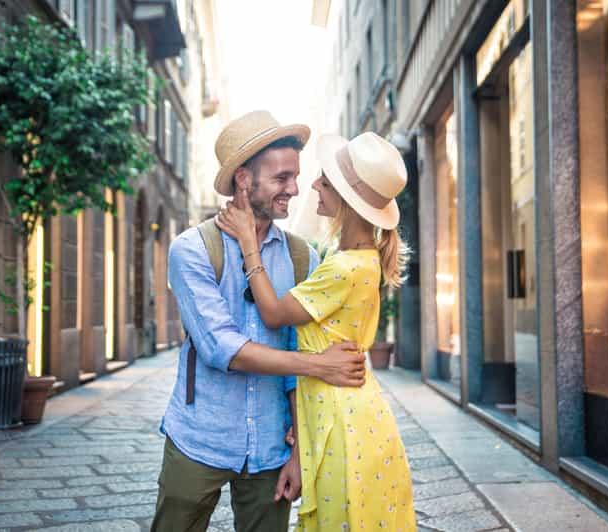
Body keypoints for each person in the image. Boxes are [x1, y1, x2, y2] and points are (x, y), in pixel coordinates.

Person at [151, 110, 366, 532]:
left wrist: (300, 449)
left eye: (296, 176)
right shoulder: (191, 250)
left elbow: (299, 346)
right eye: (282, 178)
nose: (294, 189)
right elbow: (220, 348)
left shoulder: (303, 256)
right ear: (244, 180)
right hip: (200, 437)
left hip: (272, 446)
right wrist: (319, 365)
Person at [216, 131, 417, 531]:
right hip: (347, 410)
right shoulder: (349, 258)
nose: (313, 185)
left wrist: (247, 245)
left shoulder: (344, 267)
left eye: (324, 180)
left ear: (344, 199)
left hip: (342, 421)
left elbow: (273, 314)